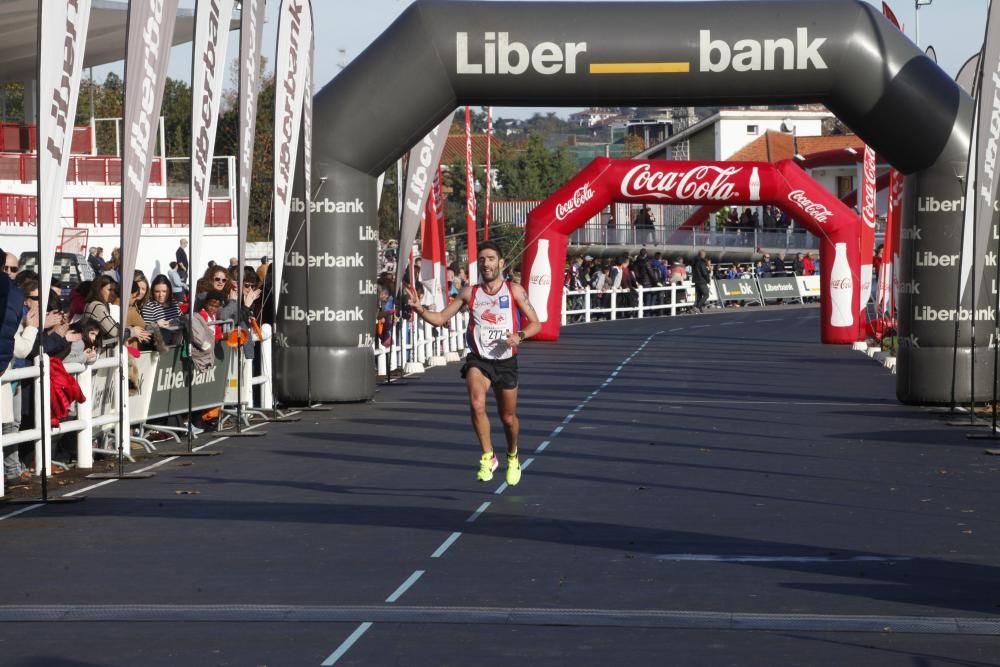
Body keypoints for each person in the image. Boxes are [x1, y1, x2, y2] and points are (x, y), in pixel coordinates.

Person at [405, 241, 540, 486]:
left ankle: (512, 455)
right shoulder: (470, 293)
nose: (486, 264)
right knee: (477, 403)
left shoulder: (514, 291)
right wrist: (419, 309)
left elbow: (536, 324)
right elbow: (441, 318)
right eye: (482, 259)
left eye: (491, 259)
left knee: (508, 418)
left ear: (501, 263)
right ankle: (488, 456)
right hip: (479, 360)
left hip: (506, 361)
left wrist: (519, 336)